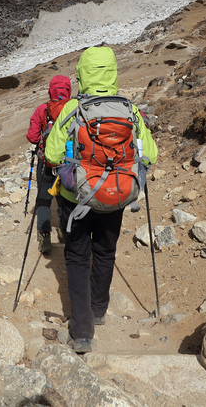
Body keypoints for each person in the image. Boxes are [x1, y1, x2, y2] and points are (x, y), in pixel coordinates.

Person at [44, 46, 158, 353]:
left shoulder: (71, 109)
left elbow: (52, 155)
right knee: (105, 251)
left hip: (75, 197)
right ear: (112, 73)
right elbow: (152, 154)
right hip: (117, 195)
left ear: (81, 74)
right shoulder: (130, 110)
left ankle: (82, 332)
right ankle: (98, 310)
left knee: (78, 257)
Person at [25, 74, 72, 254]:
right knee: (64, 199)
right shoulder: (74, 108)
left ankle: (44, 236)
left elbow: (32, 136)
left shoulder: (42, 109)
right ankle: (63, 232)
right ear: (69, 90)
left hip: (46, 162)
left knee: (44, 200)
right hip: (67, 163)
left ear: (50, 90)